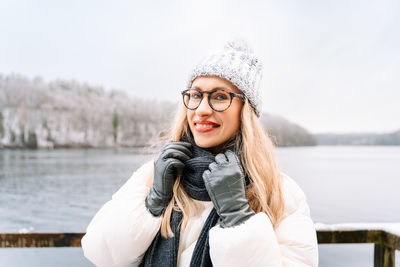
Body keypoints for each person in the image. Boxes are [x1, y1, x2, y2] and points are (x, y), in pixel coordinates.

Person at [81, 39, 319, 267]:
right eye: (196, 95)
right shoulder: (154, 174)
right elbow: (101, 255)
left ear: (245, 110)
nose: (202, 110)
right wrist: (152, 203)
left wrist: (237, 215)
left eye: (219, 97)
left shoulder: (280, 192)